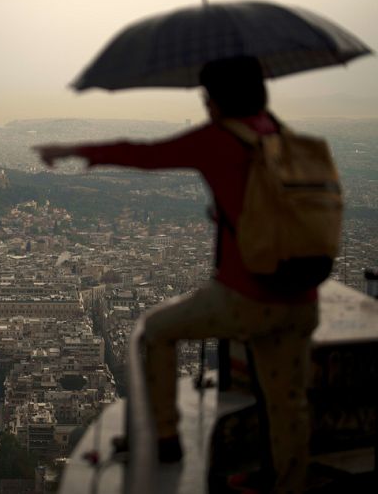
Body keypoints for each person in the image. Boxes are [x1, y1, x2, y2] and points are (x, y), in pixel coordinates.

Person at [36, 56, 318, 494]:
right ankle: (291, 481)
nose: (205, 104)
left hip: (248, 296)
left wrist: (75, 151)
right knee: (288, 403)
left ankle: (166, 440)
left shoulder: (220, 138)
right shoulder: (282, 136)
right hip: (301, 297)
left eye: (207, 97)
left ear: (217, 101)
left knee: (155, 331)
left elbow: (146, 154)